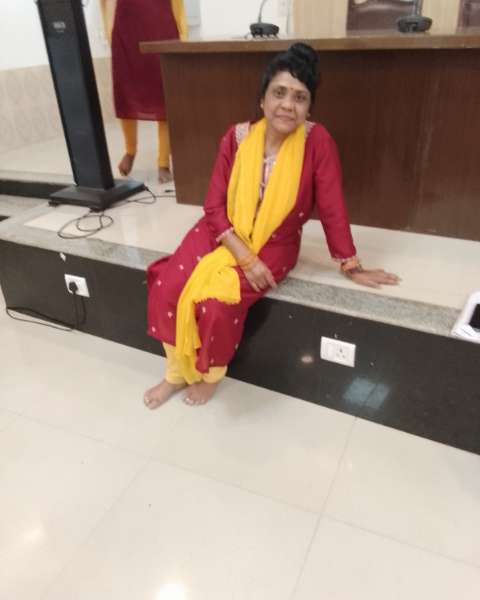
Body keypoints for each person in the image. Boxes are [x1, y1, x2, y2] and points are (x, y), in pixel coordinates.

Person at [144, 43, 399, 409]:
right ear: (262, 99)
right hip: (221, 230)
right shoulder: (237, 137)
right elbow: (214, 205)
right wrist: (243, 256)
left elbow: (332, 206)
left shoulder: (317, 142)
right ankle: (175, 373)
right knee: (168, 286)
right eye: (279, 93)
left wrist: (350, 263)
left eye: (300, 97)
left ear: (309, 108)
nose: (287, 105)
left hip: (275, 243)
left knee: (217, 303)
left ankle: (211, 375)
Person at [99, 0, 187, 183]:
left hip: (162, 30)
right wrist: (110, 33)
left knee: (163, 97)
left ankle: (163, 162)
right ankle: (130, 151)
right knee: (126, 94)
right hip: (126, 34)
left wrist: (182, 38)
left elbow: (178, 5)